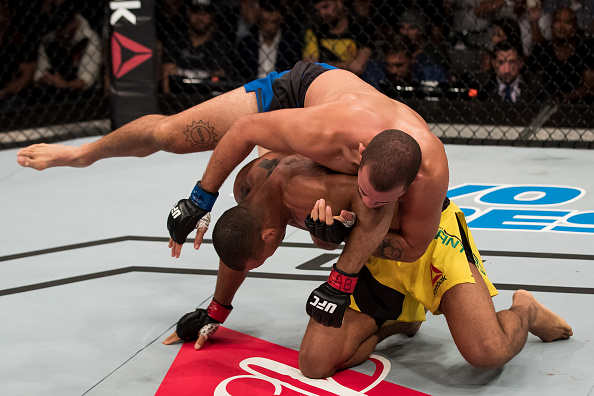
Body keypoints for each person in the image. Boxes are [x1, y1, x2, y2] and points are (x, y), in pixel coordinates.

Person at [17, 60, 448, 328]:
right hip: (305, 93)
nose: (371, 201)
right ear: (356, 156)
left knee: (361, 210)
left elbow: (411, 246)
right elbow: (244, 133)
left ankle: (347, 272)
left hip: (370, 145)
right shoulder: (322, 133)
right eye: (364, 189)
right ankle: (82, 154)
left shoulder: (428, 167)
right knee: (170, 133)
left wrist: (342, 245)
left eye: (382, 197)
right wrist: (200, 198)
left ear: (409, 186)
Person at [163, 151, 573, 379]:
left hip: (426, 240)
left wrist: (337, 242)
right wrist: (216, 309)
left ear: (271, 238)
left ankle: (525, 309)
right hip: (368, 256)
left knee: (487, 352)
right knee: (315, 364)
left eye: (259, 261)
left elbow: (385, 212)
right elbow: (239, 243)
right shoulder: (250, 187)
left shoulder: (318, 190)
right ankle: (396, 318)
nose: (255, 266)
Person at [477, 40, 542, 103]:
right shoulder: (483, 88)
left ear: (520, 63)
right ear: (494, 63)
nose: (506, 70)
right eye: (501, 62)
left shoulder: (536, 85)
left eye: (511, 62)